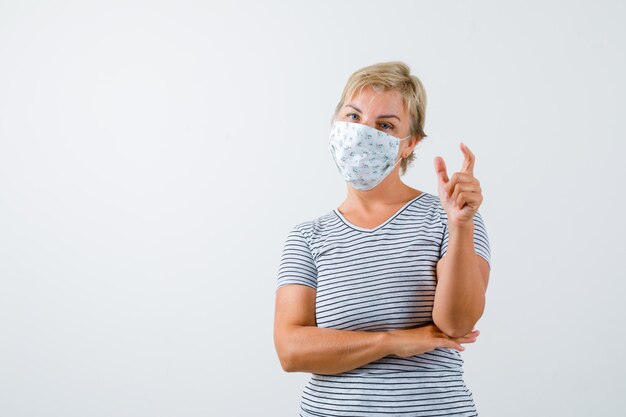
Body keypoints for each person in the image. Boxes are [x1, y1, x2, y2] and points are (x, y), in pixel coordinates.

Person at [273, 61, 491, 417]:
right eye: (353, 117)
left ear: (409, 145)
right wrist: (393, 341)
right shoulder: (307, 237)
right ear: (335, 123)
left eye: (385, 125)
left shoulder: (448, 217)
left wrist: (461, 225)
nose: (363, 132)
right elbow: (291, 350)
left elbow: (457, 324)